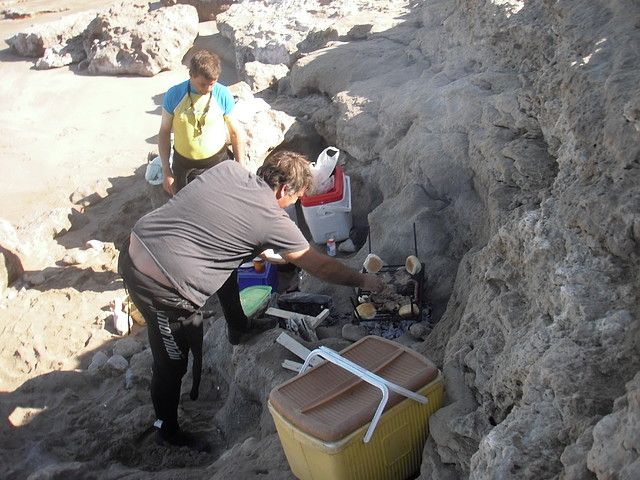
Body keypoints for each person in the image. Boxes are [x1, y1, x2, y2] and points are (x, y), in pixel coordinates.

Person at [118, 150, 384, 451]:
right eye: (294, 199)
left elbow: (215, 217)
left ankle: (238, 325)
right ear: (284, 190)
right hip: (157, 285)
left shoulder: (228, 170)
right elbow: (320, 266)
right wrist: (363, 280)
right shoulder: (272, 219)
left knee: (231, 257)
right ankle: (166, 430)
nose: (291, 206)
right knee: (172, 360)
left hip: (138, 242)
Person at [159, 49, 245, 195]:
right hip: (184, 166)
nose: (208, 89)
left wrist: (240, 168)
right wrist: (166, 171)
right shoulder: (174, 95)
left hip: (217, 164)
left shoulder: (222, 94)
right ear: (191, 75)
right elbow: (164, 132)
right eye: (203, 84)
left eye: (213, 83)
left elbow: (235, 133)